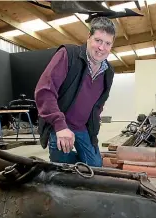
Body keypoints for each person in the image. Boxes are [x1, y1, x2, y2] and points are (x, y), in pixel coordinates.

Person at [34, 17, 116, 167]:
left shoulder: (108, 72)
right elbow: (45, 91)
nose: (102, 48)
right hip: (60, 125)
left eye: (107, 43)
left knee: (95, 166)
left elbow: (98, 105)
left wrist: (93, 130)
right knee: (62, 166)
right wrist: (60, 125)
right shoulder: (68, 55)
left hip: (83, 128)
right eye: (98, 40)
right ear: (88, 38)